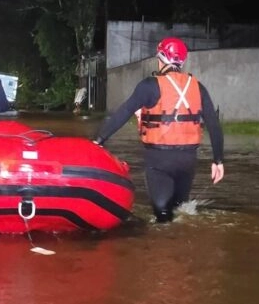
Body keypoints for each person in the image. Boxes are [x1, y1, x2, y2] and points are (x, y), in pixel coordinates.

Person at [92, 37, 225, 223]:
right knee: (181, 211)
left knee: (163, 215)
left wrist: (98, 140)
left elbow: (123, 113)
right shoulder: (198, 87)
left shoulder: (149, 86)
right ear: (182, 61)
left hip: (159, 161)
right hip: (187, 161)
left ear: (161, 58)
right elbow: (214, 124)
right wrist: (218, 160)